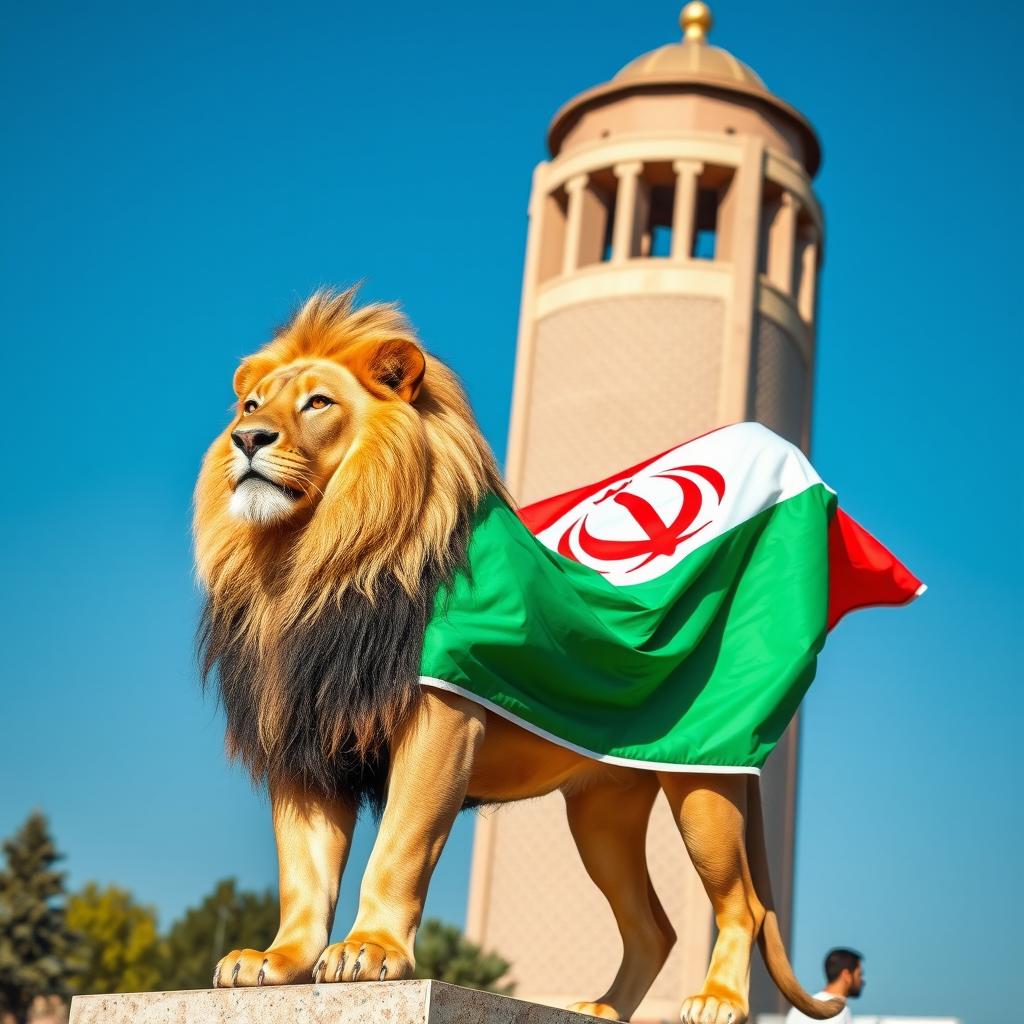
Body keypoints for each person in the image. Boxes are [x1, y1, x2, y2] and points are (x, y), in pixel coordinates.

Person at [784, 947, 864, 1024]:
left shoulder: (797, 1009)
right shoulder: (839, 1012)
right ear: (846, 975)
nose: (863, 980)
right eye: (859, 974)